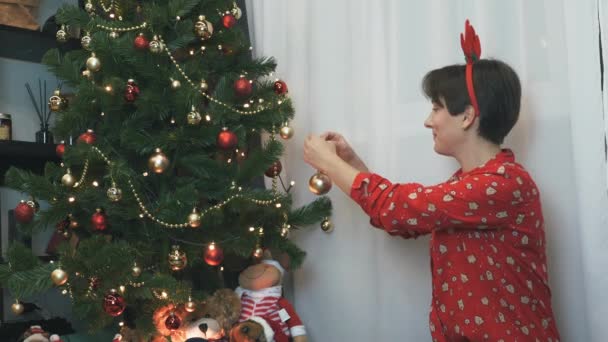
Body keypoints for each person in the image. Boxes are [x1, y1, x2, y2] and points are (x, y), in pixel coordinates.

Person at [303, 21, 561, 341]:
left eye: (437, 108)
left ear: (467, 116)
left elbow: (397, 209)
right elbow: (403, 218)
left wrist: (327, 162)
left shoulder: (505, 183)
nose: (428, 121)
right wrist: (352, 164)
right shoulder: (468, 184)